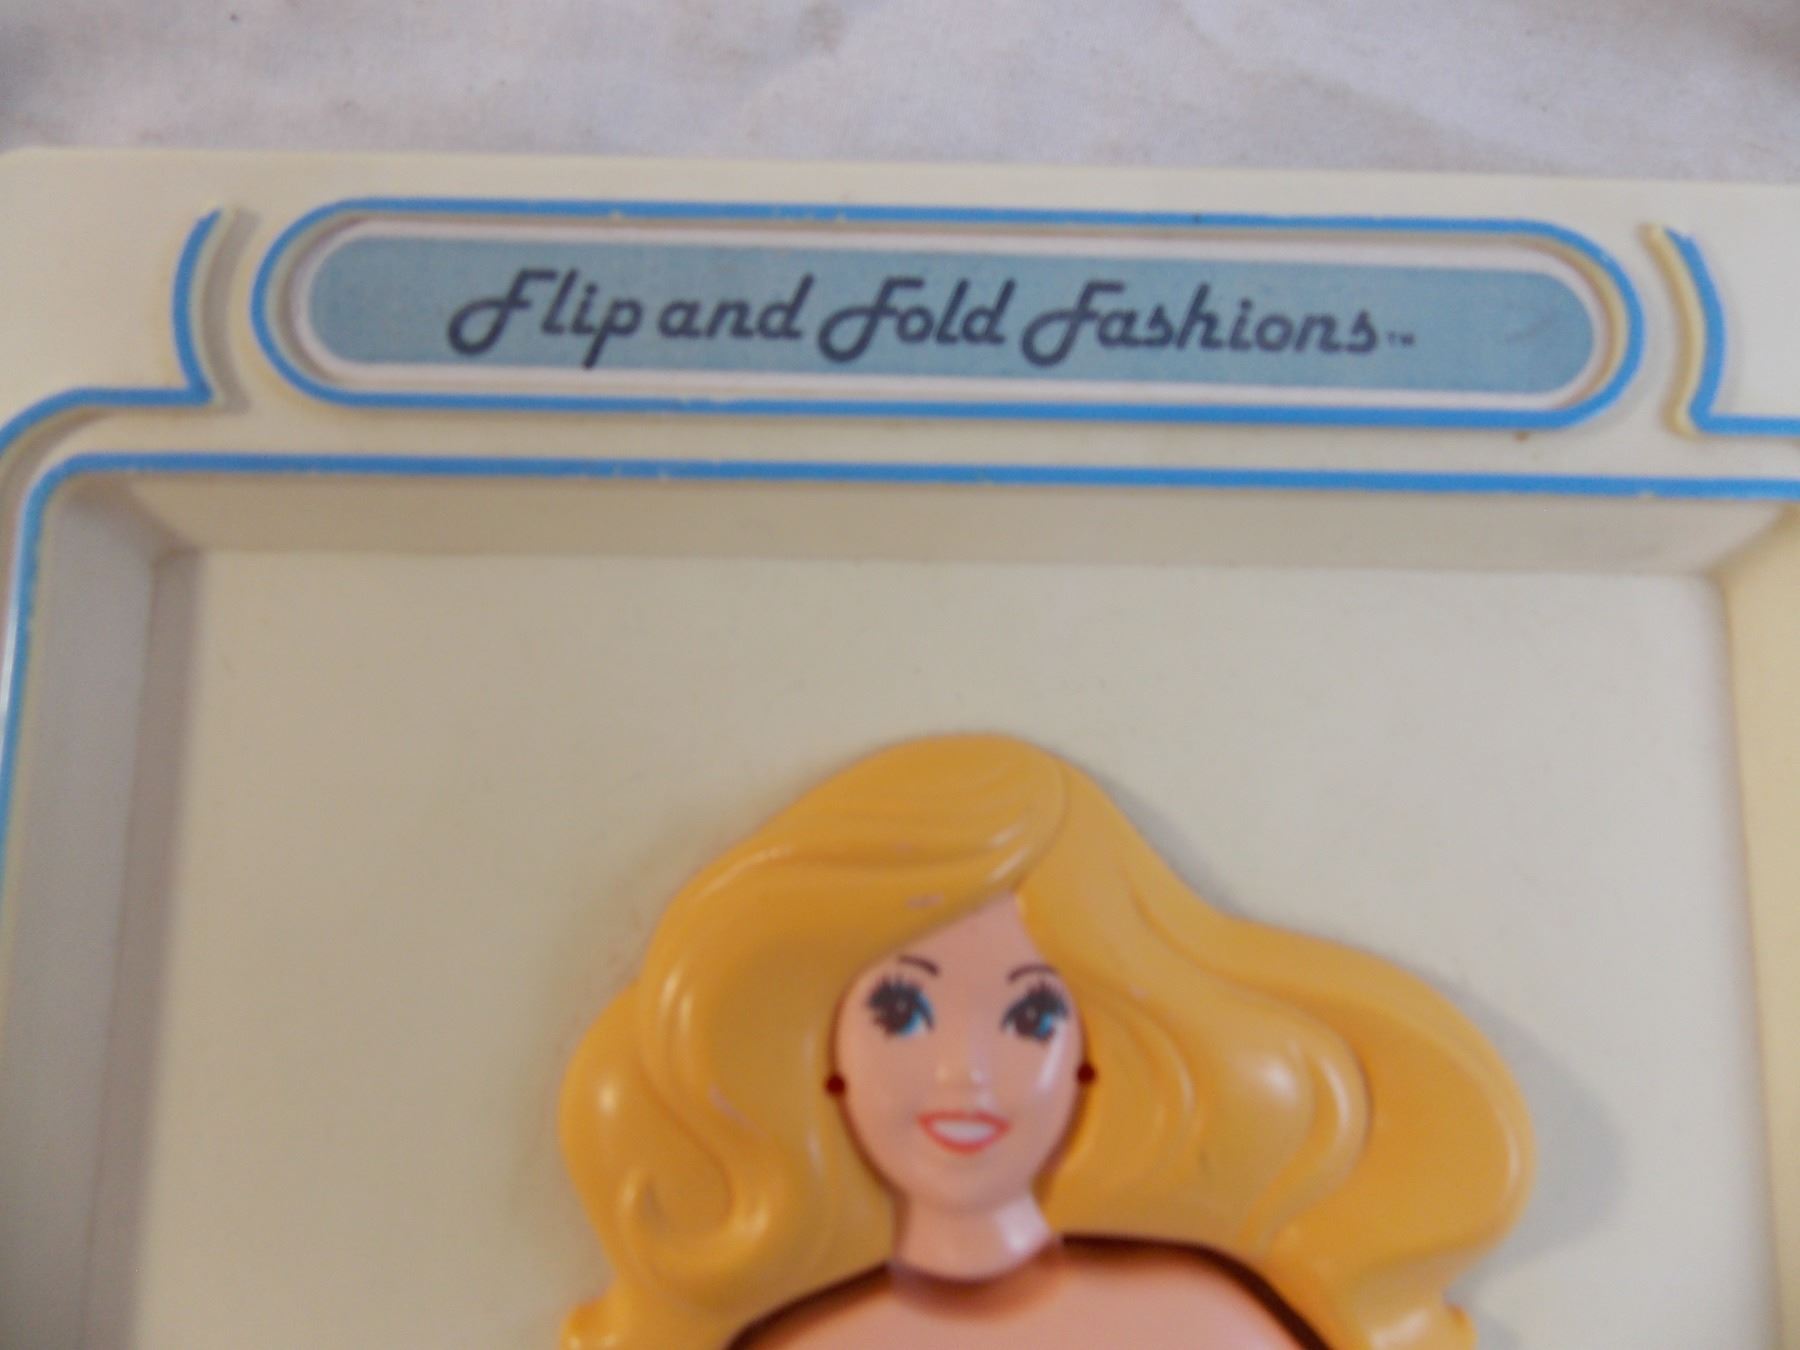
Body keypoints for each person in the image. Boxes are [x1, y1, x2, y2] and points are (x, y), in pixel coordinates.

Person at [559, 735, 1531, 1348]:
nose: (964, 1072)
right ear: (824, 1065)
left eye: (1029, 1019)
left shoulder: (1203, 1329)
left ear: (1093, 1059)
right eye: (902, 1014)